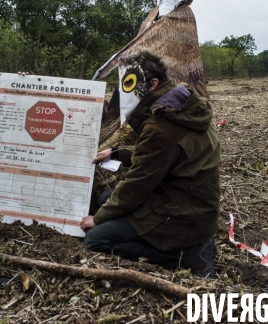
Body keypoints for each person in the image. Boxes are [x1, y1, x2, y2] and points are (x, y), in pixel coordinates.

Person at [81, 49, 221, 278]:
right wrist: (117, 153)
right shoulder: (179, 102)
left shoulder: (160, 124)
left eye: (130, 83)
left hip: (182, 215)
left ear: (153, 83)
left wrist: (97, 219)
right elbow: (163, 155)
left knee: (96, 238)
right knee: (106, 199)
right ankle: (191, 244)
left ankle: (189, 256)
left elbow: (138, 183)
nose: (125, 91)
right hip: (194, 204)